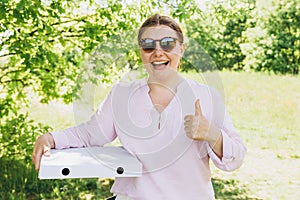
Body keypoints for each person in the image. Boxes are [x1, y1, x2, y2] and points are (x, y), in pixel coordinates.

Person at [32, 14, 246, 200]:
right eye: (148, 45)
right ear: (141, 52)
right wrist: (51, 139)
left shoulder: (207, 97)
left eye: (168, 43)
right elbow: (90, 134)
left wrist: (212, 135)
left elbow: (235, 159)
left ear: (182, 48)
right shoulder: (122, 95)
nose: (158, 52)